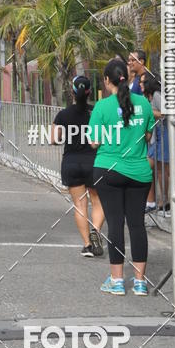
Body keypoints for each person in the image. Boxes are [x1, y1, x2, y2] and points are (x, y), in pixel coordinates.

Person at [89, 58, 155, 296]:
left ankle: (117, 281)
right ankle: (139, 282)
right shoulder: (144, 105)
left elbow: (94, 142)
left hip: (109, 170)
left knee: (115, 223)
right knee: (137, 224)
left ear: (107, 81)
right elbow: (147, 137)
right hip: (139, 172)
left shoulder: (101, 107)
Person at [53, 76, 105, 258]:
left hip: (71, 162)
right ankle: (96, 231)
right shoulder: (97, 112)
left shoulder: (63, 114)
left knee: (79, 205)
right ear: (90, 92)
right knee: (98, 201)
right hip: (94, 162)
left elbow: (54, 139)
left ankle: (87, 245)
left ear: (73, 92)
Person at [141, 71, 175, 213]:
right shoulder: (150, 97)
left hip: (166, 134)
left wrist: (149, 112)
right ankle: (163, 200)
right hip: (159, 135)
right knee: (161, 169)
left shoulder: (157, 96)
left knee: (166, 169)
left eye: (143, 83)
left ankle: (174, 200)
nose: (140, 85)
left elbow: (165, 113)